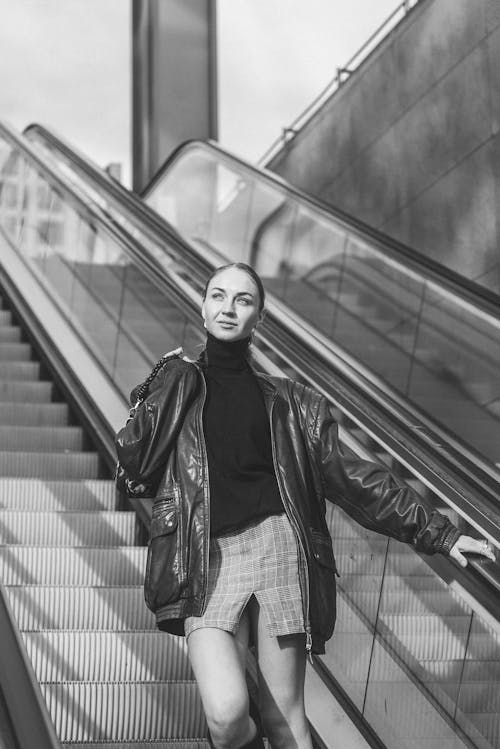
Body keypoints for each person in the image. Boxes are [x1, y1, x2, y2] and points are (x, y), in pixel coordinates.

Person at [115, 262, 496, 749]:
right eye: (218, 296)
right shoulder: (179, 384)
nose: (228, 308)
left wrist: (437, 531)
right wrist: (159, 384)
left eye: (243, 300)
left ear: (260, 317)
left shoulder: (294, 402)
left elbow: (353, 475)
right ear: (203, 306)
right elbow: (134, 468)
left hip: (279, 546)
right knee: (227, 716)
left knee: (284, 719)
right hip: (203, 552)